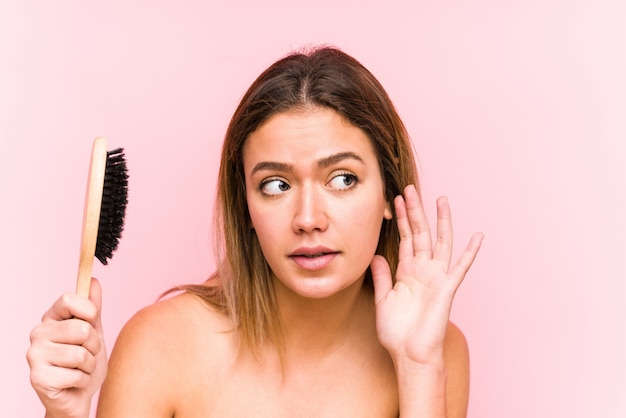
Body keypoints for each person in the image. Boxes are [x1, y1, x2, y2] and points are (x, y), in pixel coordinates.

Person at [27, 46, 483, 417]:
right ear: (245, 204)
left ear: (388, 193)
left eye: (342, 178)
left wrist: (418, 368)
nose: (308, 218)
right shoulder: (161, 348)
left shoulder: (434, 349)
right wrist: (65, 413)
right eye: (276, 185)